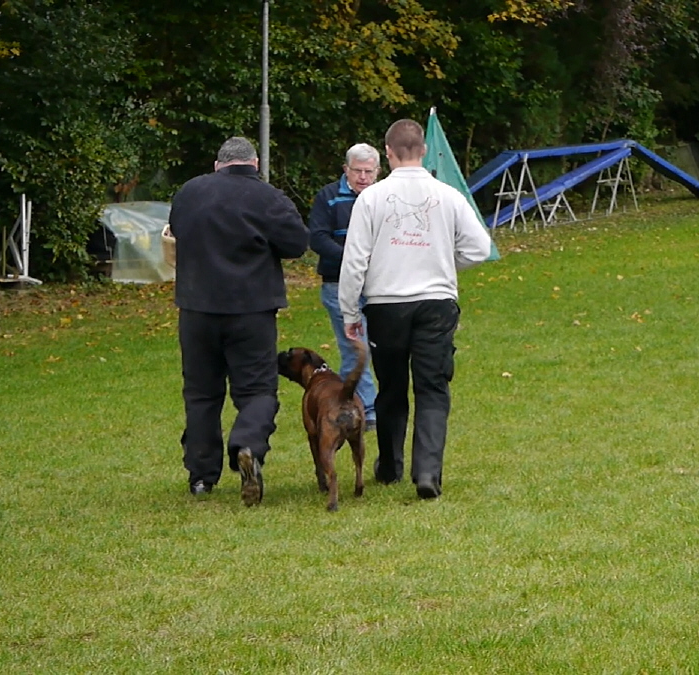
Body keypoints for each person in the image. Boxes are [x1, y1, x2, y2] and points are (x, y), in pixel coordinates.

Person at [338, 118, 493, 499]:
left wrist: (349, 312)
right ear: (423, 151)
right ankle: (427, 472)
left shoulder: (370, 199)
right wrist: (444, 262)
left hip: (386, 304)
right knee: (433, 387)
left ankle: (390, 465)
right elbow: (479, 248)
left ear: (387, 152)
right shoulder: (448, 195)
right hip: (436, 302)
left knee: (391, 388)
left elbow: (354, 260)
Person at [169, 136, 309, 506]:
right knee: (257, 390)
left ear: (218, 164)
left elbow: (177, 231)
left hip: (197, 309)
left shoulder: (189, 192)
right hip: (251, 310)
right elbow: (296, 244)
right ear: (255, 164)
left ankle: (201, 475)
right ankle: (247, 445)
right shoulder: (268, 197)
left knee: (201, 393)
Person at [307, 143, 381, 431]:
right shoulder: (328, 197)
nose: (363, 177)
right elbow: (318, 238)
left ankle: (366, 404)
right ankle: (367, 410)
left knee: (379, 346)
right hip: (337, 284)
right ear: (345, 170)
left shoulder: (384, 197)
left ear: (378, 171)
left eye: (368, 172)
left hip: (378, 285)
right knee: (355, 348)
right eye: (357, 171)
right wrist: (353, 258)